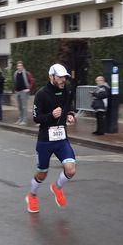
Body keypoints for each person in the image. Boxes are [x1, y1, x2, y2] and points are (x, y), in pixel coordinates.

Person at [25, 64, 77, 214]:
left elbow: (69, 105)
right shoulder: (41, 94)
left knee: (71, 170)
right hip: (45, 140)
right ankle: (32, 195)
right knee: (42, 173)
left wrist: (70, 114)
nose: (63, 80)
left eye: (64, 77)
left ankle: (57, 188)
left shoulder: (67, 90)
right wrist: (51, 115)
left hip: (61, 139)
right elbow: (36, 118)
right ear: (51, 76)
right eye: (59, 77)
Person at [13, 61, 34, 125]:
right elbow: (15, 82)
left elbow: (32, 81)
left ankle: (24, 121)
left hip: (23, 92)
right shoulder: (15, 73)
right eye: (18, 66)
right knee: (19, 107)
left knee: (24, 107)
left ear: (23, 66)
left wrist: (29, 89)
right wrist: (15, 90)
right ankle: (20, 119)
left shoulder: (27, 73)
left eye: (20, 66)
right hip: (17, 92)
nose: (19, 67)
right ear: (17, 67)